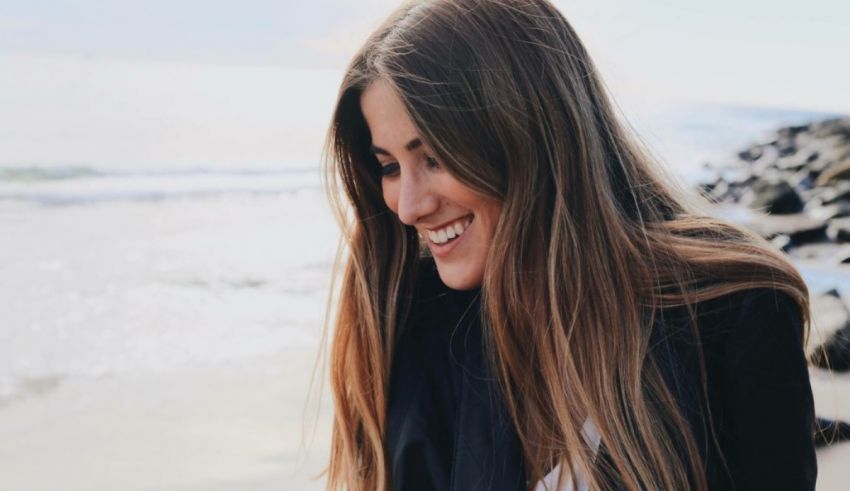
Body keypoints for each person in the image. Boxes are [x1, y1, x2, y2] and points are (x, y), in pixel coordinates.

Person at [320, 0, 817, 489]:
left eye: (433, 157)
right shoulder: (420, 320)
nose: (408, 207)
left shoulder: (737, 310)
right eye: (388, 167)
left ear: (526, 134)